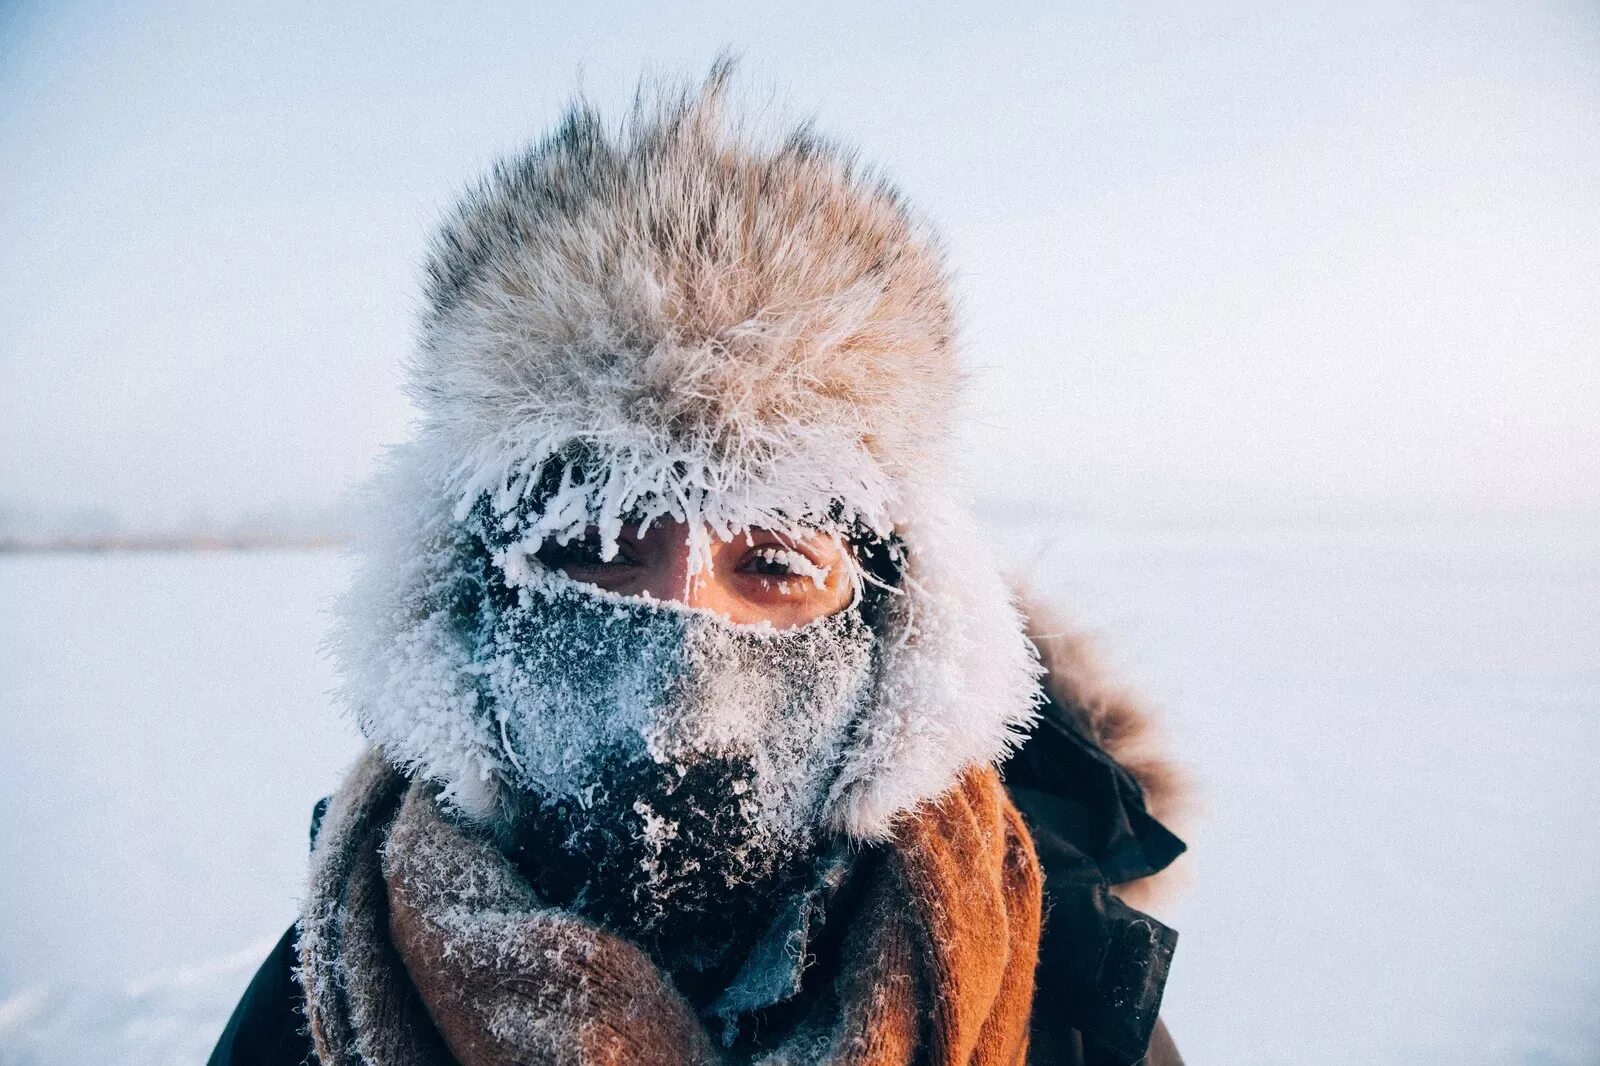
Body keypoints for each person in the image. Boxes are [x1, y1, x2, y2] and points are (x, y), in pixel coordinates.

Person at [211, 59, 1189, 1066]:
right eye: (595, 549)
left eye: (772, 564)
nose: (683, 702)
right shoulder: (326, 994)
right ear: (473, 604)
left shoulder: (1064, 996)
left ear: (890, 629)